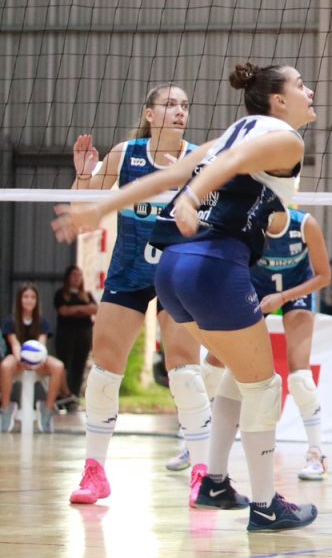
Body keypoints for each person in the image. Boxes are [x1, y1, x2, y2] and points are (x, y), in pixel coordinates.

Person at [53, 62, 319, 532]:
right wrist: (191, 199)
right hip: (213, 267)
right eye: (301, 85)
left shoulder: (235, 130)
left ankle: (213, 482)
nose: (310, 91)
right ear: (278, 100)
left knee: (238, 373)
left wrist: (101, 208)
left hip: (172, 269)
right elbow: (224, 167)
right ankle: (265, 506)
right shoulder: (286, 140)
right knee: (264, 386)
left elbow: (173, 173)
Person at [64, 83, 215, 507]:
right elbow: (81, 214)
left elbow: (215, 218)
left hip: (178, 274)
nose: (180, 111)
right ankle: (94, 472)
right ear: (149, 114)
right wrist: (83, 175)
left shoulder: (199, 159)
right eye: (170, 104)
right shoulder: (125, 154)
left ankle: (203, 473)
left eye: (184, 105)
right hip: (129, 271)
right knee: (104, 370)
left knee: (184, 372)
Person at [251, 205, 332, 481]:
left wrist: (283, 297)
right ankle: (198, 443)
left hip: (296, 291)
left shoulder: (305, 224)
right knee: (221, 365)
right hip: (255, 290)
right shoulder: (250, 220)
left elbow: (324, 276)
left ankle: (316, 453)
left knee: (300, 376)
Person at [0, 283, 68, 432]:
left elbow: (41, 345)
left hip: (38, 360)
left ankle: (47, 409)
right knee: (5, 365)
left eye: (32, 297)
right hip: (17, 359)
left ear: (37, 301)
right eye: (25, 297)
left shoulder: (42, 321)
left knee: (58, 366)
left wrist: (38, 360)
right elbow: (14, 344)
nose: (29, 300)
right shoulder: (10, 321)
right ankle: (5, 408)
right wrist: (22, 360)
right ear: (19, 299)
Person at [54, 265, 97, 407]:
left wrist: (75, 309)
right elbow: (63, 311)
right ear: (68, 277)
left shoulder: (87, 294)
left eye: (79, 275)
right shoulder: (61, 294)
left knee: (79, 365)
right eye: (74, 275)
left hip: (84, 334)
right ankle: (63, 395)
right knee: (65, 364)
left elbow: (95, 309)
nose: (77, 278)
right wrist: (83, 309)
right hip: (66, 334)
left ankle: (75, 396)